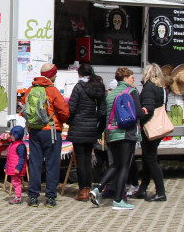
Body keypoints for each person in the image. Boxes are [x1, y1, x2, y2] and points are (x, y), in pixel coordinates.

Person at [91, 66, 143, 211]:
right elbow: (138, 112)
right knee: (124, 167)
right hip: (126, 133)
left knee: (114, 165)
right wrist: (145, 111)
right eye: (132, 77)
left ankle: (97, 189)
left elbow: (105, 115)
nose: (134, 80)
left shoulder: (111, 94)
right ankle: (119, 200)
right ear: (126, 78)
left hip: (111, 134)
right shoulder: (131, 92)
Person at [23, 63, 70, 208]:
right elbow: (64, 112)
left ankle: (33, 197)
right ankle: (50, 197)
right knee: (52, 164)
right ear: (53, 75)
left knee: (35, 164)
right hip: (51, 131)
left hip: (34, 131)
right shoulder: (53, 91)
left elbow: (24, 109)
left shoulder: (30, 90)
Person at [66, 63, 106, 202]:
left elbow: (71, 109)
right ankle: (89, 188)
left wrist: (70, 122)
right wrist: (97, 127)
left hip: (78, 127)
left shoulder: (78, 87)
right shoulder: (99, 86)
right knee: (88, 159)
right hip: (92, 128)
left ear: (80, 74)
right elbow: (103, 111)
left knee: (80, 160)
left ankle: (83, 189)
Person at [131, 63, 168, 202]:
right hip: (159, 127)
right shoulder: (162, 89)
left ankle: (161, 191)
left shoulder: (148, 88)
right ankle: (142, 189)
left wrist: (140, 117)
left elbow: (149, 108)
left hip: (150, 127)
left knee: (151, 159)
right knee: (148, 158)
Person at [4, 126, 28, 204]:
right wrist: (5, 166)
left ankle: (18, 197)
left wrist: (18, 168)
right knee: (14, 182)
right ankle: (17, 196)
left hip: (16, 168)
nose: (11, 137)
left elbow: (22, 158)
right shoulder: (12, 144)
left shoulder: (20, 146)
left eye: (13, 135)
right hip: (12, 166)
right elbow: (9, 157)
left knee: (16, 182)